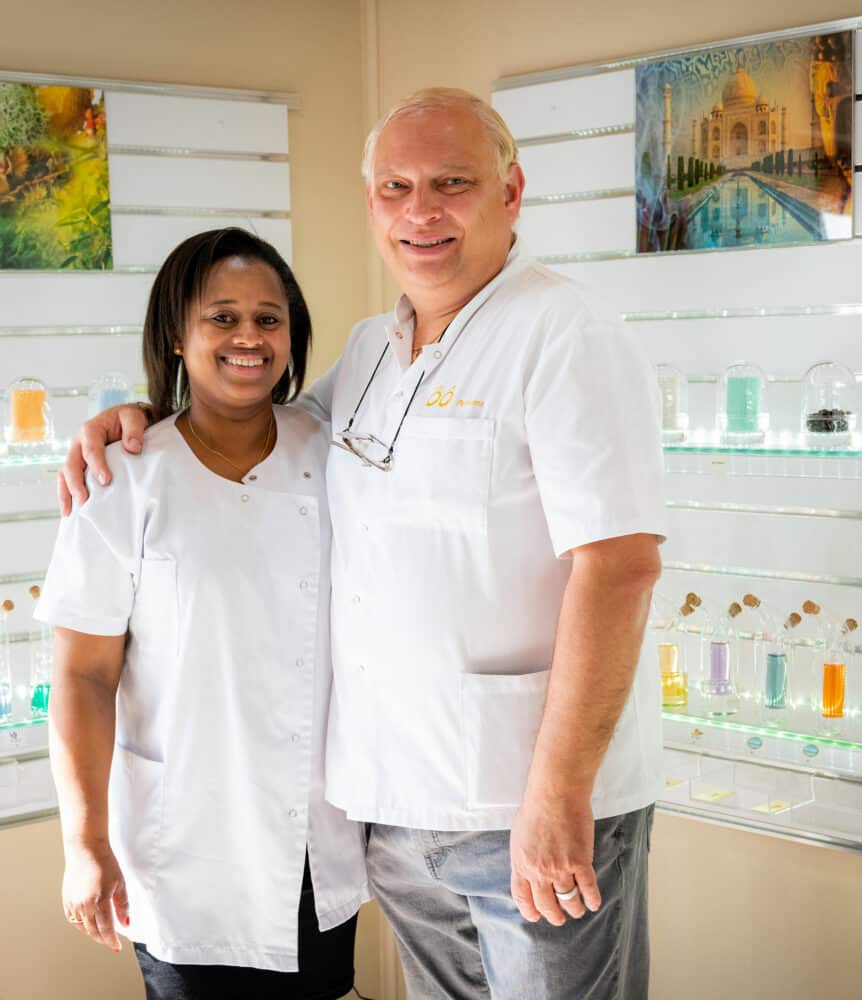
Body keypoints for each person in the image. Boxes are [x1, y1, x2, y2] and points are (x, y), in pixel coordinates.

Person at [61, 89, 667, 999]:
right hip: (399, 811)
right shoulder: (375, 350)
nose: (420, 210)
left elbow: (620, 566)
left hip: (529, 804)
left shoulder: (566, 332)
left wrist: (559, 792)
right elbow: (256, 424)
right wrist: (141, 414)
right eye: (395, 187)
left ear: (511, 193)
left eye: (452, 183)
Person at [40, 229, 368, 999]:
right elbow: (83, 678)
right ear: (177, 336)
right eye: (222, 318)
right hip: (183, 847)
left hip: (309, 836)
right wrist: (84, 843)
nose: (249, 337)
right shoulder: (123, 479)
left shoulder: (337, 454)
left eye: (268, 318)